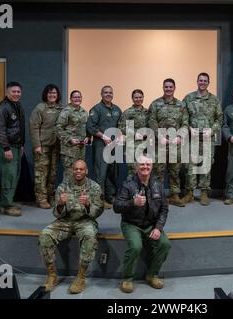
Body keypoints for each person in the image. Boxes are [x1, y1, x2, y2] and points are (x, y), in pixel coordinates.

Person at [38, 160, 104, 294]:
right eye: (75, 169)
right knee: (45, 235)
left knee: (90, 236)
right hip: (65, 221)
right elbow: (56, 213)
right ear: (72, 170)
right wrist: (61, 204)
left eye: (81, 169)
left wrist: (87, 205)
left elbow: (99, 210)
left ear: (86, 171)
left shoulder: (94, 187)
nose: (78, 171)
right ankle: (52, 275)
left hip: (85, 221)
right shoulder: (63, 186)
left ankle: (81, 277)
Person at [113, 155, 171, 293]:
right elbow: (116, 206)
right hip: (131, 224)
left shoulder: (158, 185)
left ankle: (152, 274)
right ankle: (127, 278)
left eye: (148, 165)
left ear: (151, 167)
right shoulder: (127, 184)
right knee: (136, 246)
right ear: (136, 167)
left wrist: (158, 228)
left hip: (151, 224)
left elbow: (164, 209)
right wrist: (133, 203)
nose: (145, 167)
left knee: (165, 244)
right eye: (142, 165)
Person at [181, 73, 223, 206]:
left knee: (206, 164)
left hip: (207, 138)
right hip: (192, 137)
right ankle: (190, 193)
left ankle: (204, 192)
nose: (202, 82)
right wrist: (188, 128)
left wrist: (212, 130)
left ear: (208, 83)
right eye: (200, 80)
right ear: (197, 81)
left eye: (205, 81)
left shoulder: (214, 100)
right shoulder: (188, 98)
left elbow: (219, 118)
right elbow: (183, 117)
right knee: (191, 165)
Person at [149, 78, 189, 207]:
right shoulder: (155, 104)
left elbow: (185, 123)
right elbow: (152, 121)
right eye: (166, 87)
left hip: (175, 144)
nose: (168, 89)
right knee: (158, 172)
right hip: (159, 144)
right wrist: (159, 136)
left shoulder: (181, 105)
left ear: (174, 88)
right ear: (163, 87)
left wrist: (180, 136)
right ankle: (158, 196)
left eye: (170, 87)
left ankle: (174, 195)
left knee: (174, 171)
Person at [87, 85, 122, 209]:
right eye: (106, 92)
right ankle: (99, 199)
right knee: (101, 172)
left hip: (114, 146)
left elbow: (121, 125)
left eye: (110, 92)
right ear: (101, 94)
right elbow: (90, 127)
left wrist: (119, 136)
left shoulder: (117, 109)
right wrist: (103, 137)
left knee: (113, 172)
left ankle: (110, 196)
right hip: (101, 144)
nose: (108, 94)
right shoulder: (96, 109)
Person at [0, 81, 25, 217]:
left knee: (15, 175)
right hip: (7, 147)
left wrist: (21, 144)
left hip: (17, 146)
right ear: (7, 92)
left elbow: (19, 128)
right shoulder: (1, 108)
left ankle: (7, 201)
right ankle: (6, 206)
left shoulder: (17, 106)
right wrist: (6, 148)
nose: (17, 94)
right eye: (14, 91)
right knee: (8, 176)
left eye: (18, 91)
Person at [29, 84, 64, 209]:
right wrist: (37, 145)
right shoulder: (40, 108)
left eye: (54, 93)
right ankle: (41, 198)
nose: (52, 95)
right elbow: (33, 127)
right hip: (43, 146)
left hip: (56, 146)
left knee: (53, 173)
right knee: (41, 174)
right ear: (46, 94)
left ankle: (50, 196)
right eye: (50, 93)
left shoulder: (61, 108)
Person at [55, 90, 89, 182]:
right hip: (69, 149)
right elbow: (58, 128)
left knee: (81, 173)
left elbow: (87, 128)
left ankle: (76, 195)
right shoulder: (66, 111)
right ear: (70, 99)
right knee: (69, 173)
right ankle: (66, 195)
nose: (77, 99)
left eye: (79, 97)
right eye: (75, 97)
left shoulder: (84, 112)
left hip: (81, 148)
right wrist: (69, 139)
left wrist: (88, 137)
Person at [118, 89, 150, 176]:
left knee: (145, 169)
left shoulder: (148, 112)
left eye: (140, 97)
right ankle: (131, 189)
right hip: (132, 146)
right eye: (136, 97)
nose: (138, 99)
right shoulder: (128, 112)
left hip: (146, 145)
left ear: (143, 98)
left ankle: (144, 189)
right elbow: (121, 126)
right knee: (133, 170)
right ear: (132, 98)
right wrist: (135, 133)